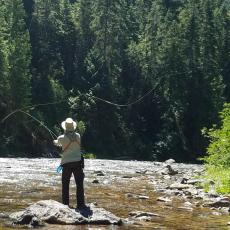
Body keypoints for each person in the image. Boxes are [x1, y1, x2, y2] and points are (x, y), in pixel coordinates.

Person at [53, 117, 85, 209]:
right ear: (73, 127)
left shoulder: (61, 138)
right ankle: (81, 205)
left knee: (65, 185)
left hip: (66, 164)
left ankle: (65, 205)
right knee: (79, 185)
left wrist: (54, 141)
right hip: (78, 163)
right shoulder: (78, 136)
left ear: (65, 127)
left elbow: (57, 144)